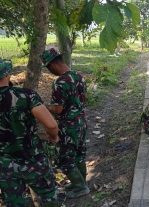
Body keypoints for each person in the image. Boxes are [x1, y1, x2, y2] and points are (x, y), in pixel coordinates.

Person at [0, 58, 62, 206]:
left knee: (15, 202)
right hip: (32, 159)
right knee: (48, 197)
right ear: (8, 74)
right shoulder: (26, 96)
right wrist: (53, 137)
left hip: (5, 165)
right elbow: (51, 125)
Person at [41, 48, 89, 198]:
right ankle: (81, 182)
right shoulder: (79, 76)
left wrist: (44, 107)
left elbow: (58, 109)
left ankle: (80, 187)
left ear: (53, 65)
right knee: (79, 154)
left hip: (69, 125)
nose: (50, 72)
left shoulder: (60, 82)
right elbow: (83, 99)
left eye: (49, 69)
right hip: (81, 121)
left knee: (65, 158)